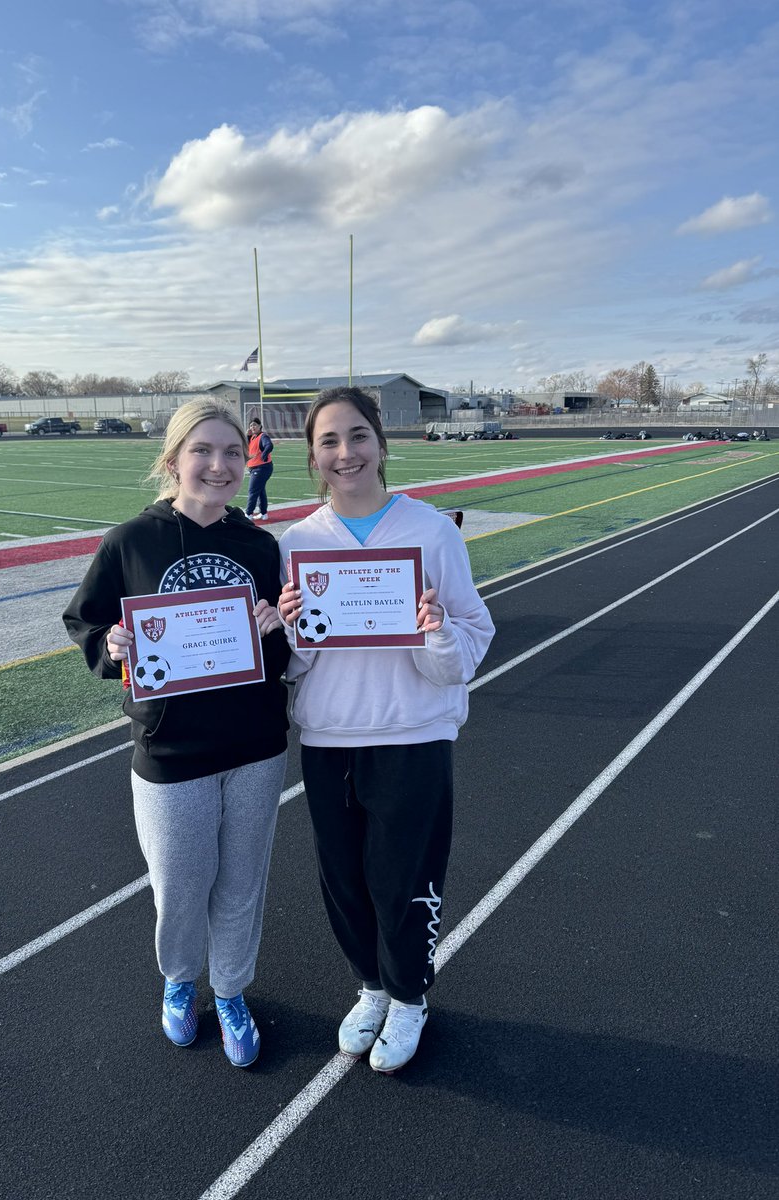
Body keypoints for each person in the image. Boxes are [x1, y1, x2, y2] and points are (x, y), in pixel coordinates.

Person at [63, 399, 290, 1068]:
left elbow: (283, 651)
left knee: (242, 885)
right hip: (171, 748)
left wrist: (277, 629)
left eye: (232, 452)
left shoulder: (259, 546)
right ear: (173, 460)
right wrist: (110, 644)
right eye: (203, 451)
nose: (220, 465)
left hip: (254, 746)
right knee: (180, 886)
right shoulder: (130, 542)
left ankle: (231, 991)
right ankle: (180, 980)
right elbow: (85, 621)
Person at [277, 386, 495, 1074]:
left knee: (404, 879)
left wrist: (436, 631)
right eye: (329, 441)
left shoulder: (431, 531)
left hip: (412, 737)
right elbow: (296, 663)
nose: (346, 453)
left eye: (358, 436)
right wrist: (293, 628)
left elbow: (471, 639)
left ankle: (408, 996)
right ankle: (371, 986)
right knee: (344, 881)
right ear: (313, 457)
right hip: (329, 739)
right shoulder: (298, 543)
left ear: (381, 442)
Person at [245, 415, 274, 521]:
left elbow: (269, 445)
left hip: (261, 468)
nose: (252, 427)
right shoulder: (253, 437)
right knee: (260, 491)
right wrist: (248, 436)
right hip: (255, 468)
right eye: (251, 425)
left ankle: (248, 514)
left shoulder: (263, 436)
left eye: (255, 425)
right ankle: (263, 513)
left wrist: (264, 455)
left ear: (260, 426)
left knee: (252, 490)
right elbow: (247, 447)